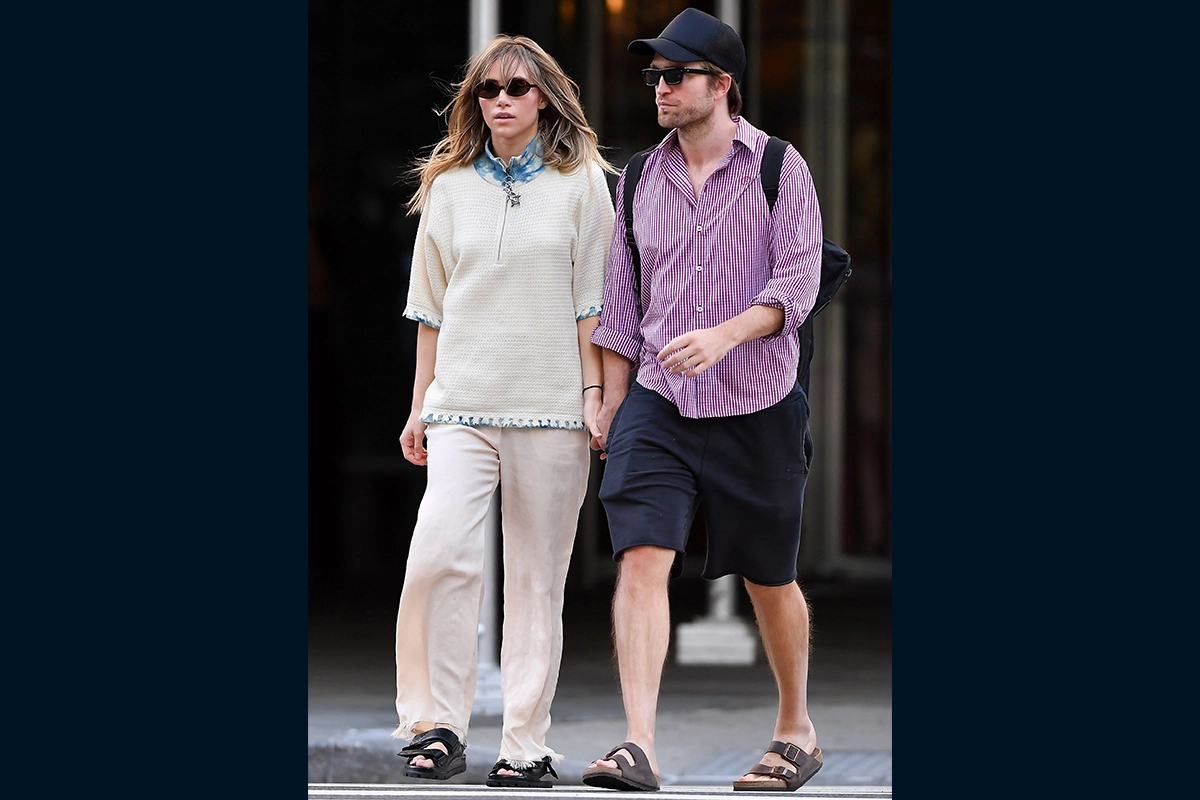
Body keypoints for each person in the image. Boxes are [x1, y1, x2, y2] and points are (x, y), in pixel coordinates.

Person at [581, 8, 825, 793]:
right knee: (642, 554)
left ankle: (796, 728)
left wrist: (725, 335)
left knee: (768, 575)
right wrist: (611, 399)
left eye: (676, 74)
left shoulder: (779, 167)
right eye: (653, 74)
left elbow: (797, 285)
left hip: (757, 398)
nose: (659, 86)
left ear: (721, 85)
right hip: (659, 399)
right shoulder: (639, 179)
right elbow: (622, 302)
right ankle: (638, 743)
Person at [391, 34, 616, 788]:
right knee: (437, 554)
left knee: (535, 582)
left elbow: (593, 305)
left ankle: (524, 745)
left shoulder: (584, 183)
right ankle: (435, 725)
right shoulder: (448, 185)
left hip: (552, 407)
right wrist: (419, 407)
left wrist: (595, 398)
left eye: (517, 87)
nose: (501, 100)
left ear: (544, 96)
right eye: (488, 89)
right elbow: (429, 308)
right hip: (460, 405)